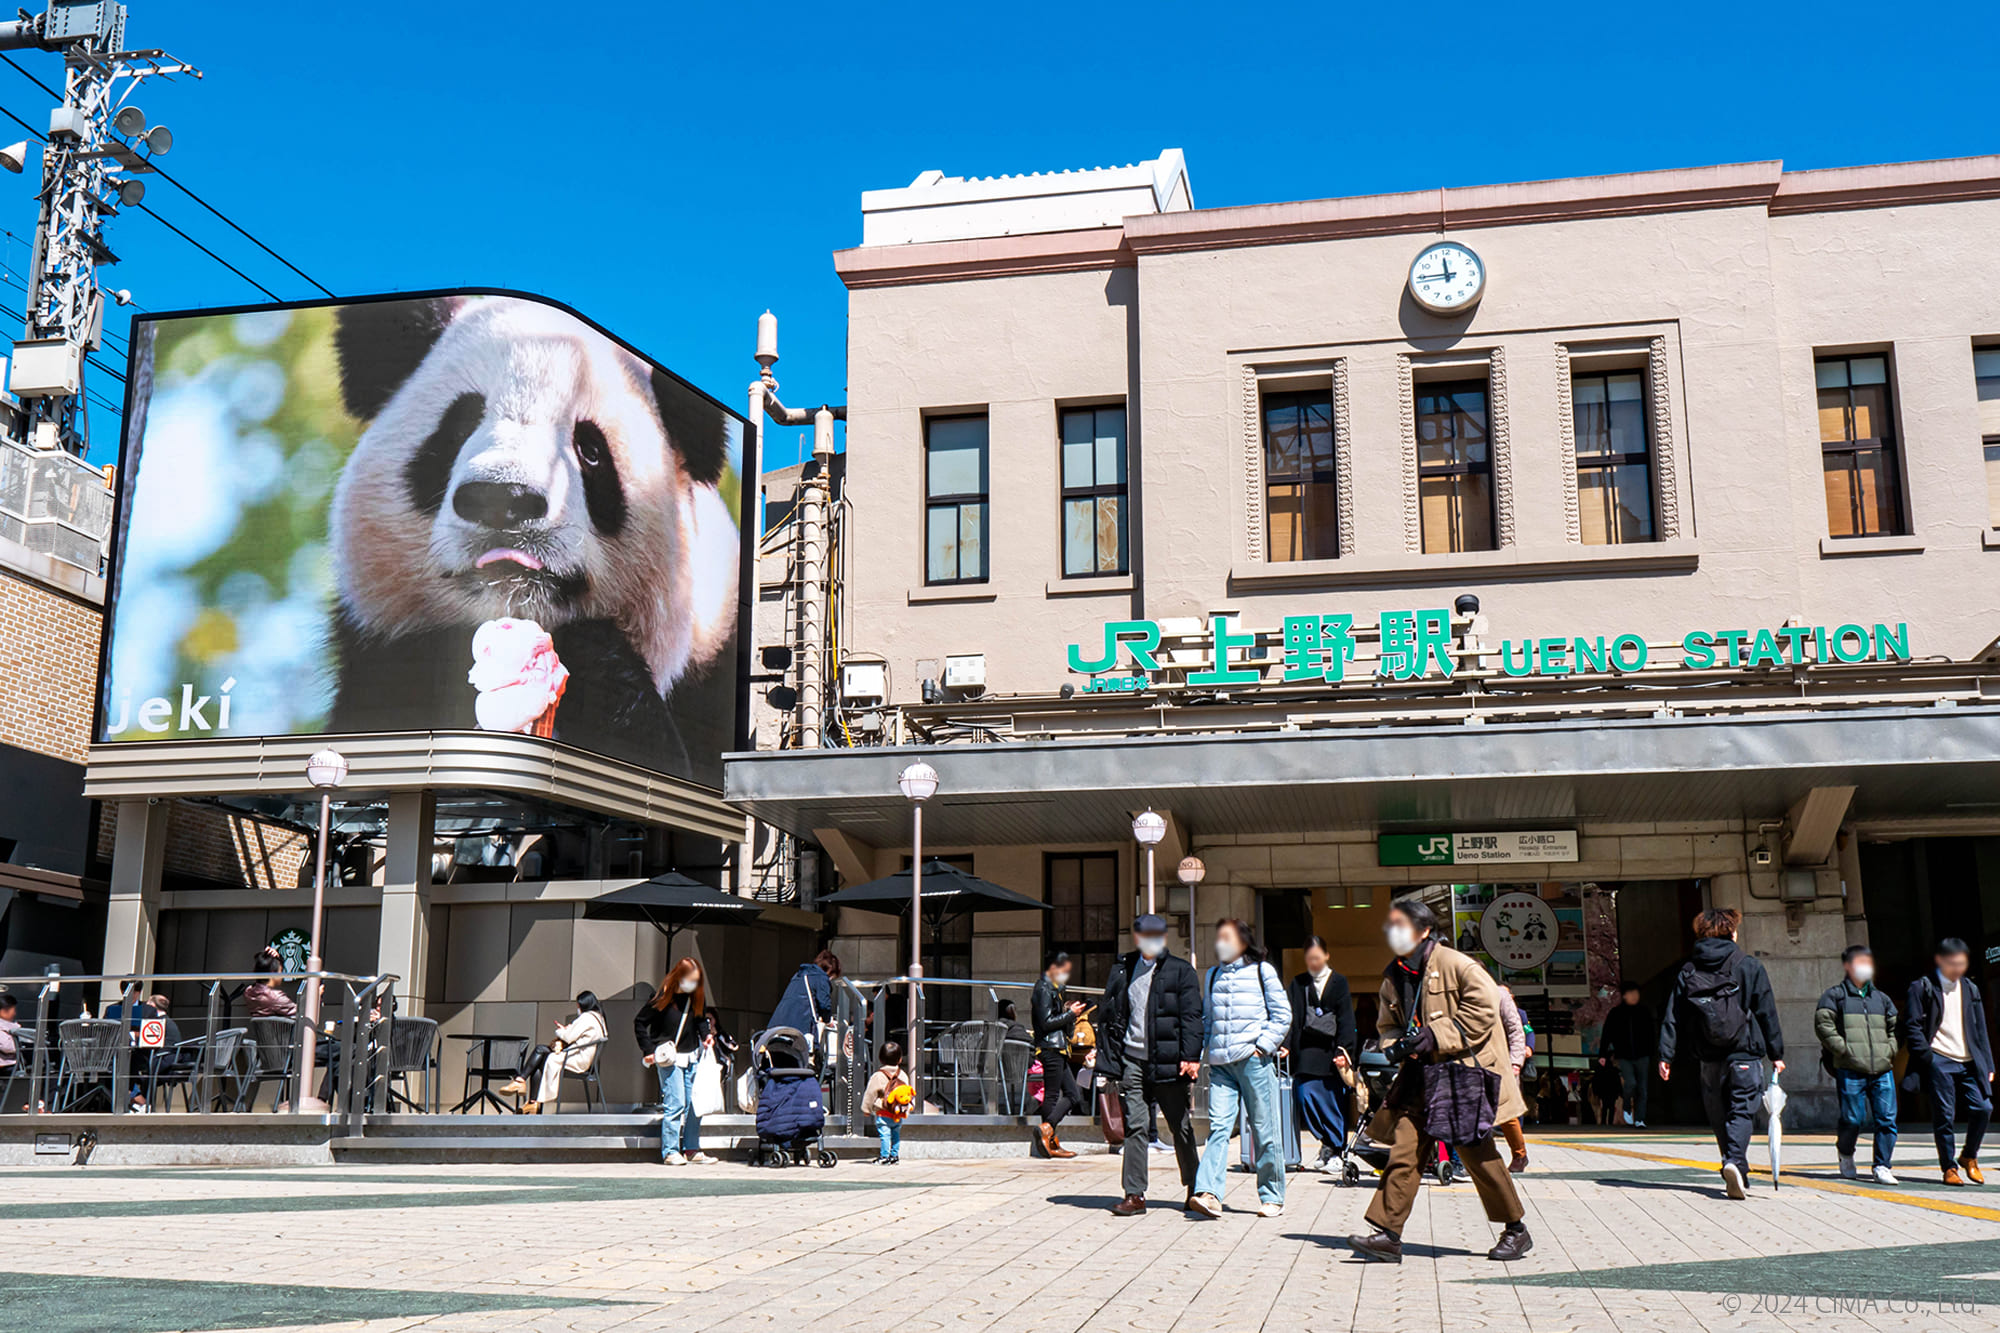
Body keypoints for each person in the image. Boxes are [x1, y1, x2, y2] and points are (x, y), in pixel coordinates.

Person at [1348, 899, 1533, 1264]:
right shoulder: (1394, 974)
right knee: (1405, 1147)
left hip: (1462, 1073)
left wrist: (1435, 1036)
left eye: (1400, 924)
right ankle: (1388, 1234)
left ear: (1424, 930)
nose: (1393, 932)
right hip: (1420, 1076)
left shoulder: (1458, 964)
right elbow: (1388, 1025)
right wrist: (1399, 1047)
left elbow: (1483, 1011)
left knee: (1476, 1153)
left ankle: (1516, 1230)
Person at [1656, 906, 1784, 1200]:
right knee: (1741, 1110)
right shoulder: (1748, 965)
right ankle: (1734, 1162)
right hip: (1744, 1053)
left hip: (1708, 1057)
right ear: (1732, 932)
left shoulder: (1689, 970)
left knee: (1719, 1114)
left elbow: (1673, 1015)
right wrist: (1777, 1053)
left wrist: (1666, 1055)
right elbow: (1767, 1012)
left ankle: (1735, 1166)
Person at [1097, 914, 1203, 1216]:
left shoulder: (1180, 971)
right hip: (1133, 1060)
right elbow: (1112, 1014)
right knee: (1136, 1127)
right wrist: (1109, 1058)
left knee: (1180, 1126)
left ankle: (1195, 1188)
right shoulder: (1123, 968)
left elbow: (1192, 1017)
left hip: (1169, 1062)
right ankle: (1135, 1195)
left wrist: (1191, 1056)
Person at [1189, 918, 1292, 1219]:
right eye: (1218, 937)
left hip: (1254, 1061)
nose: (1220, 943)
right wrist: (1198, 1056)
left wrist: (1264, 1045)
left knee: (1264, 1129)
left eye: (1227, 937)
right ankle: (1209, 1194)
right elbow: (1208, 1022)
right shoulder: (1211, 975)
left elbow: (1283, 1014)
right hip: (1221, 1066)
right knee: (1219, 1127)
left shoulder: (1263, 971)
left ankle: (1272, 1195)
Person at [1903, 937, 1994, 1186]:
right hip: (1939, 1059)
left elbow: (1980, 1029)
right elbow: (1912, 1027)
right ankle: (1949, 1167)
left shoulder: (1970, 988)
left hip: (1969, 1060)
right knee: (1944, 1115)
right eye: (1953, 963)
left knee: (1984, 1108)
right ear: (1940, 961)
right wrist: (1928, 1057)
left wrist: (1988, 1064)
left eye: (1962, 964)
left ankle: (1969, 1156)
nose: (1958, 969)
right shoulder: (1922, 987)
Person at [1815, 945, 1900, 1184]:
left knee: (1887, 1119)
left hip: (1882, 1069)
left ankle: (1882, 1165)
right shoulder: (1834, 996)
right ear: (1848, 966)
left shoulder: (1881, 998)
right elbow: (1824, 1026)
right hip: (1850, 1068)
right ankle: (1845, 1152)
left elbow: (1895, 1028)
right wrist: (1844, 1050)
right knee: (1852, 1119)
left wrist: (1890, 1050)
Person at [1282, 935, 1357, 1173]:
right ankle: (1326, 1143)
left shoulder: (1339, 982)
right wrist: (1285, 1044)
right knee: (1305, 1096)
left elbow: (1346, 1018)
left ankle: (1336, 1150)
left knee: (1333, 1101)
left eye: (1317, 957)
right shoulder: (1298, 983)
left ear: (1326, 956)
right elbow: (1290, 1017)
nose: (1313, 962)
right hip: (1305, 1050)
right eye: (1309, 958)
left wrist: (1345, 1050)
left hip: (1330, 1051)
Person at [637, 959, 719, 1166]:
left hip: (692, 1056)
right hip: (670, 1058)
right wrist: (648, 1049)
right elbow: (640, 1021)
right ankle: (670, 1150)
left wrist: (706, 1036)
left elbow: (701, 1020)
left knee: (693, 1105)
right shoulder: (663, 997)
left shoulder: (697, 998)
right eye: (689, 980)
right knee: (676, 1103)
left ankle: (691, 1148)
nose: (692, 984)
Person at [506, 991, 609, 1114]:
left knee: (540, 1053)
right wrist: (568, 1030)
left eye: (578, 1006)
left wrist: (561, 1030)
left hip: (577, 1059)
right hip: (583, 1058)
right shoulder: (599, 1018)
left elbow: (568, 1037)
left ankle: (523, 1085)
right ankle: (529, 1098)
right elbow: (578, 1035)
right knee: (540, 1054)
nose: (577, 1009)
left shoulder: (587, 1017)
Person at [1031, 951, 1087, 1159]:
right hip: (1050, 1047)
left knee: (1072, 1094)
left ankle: (1049, 1135)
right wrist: (1070, 1014)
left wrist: (1070, 1013)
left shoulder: (1055, 989)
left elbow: (1056, 1020)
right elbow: (1046, 1022)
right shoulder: (1043, 988)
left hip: (1058, 1047)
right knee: (1056, 1095)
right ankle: (1048, 1136)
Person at [1597, 982, 1655, 1127]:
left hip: (1643, 1054)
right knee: (1630, 1083)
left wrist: (1654, 1051)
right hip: (1624, 1055)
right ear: (1624, 996)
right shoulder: (1616, 1013)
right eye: (1631, 993)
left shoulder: (1644, 1012)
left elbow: (1652, 1033)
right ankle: (1627, 1107)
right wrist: (1602, 1054)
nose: (1634, 996)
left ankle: (1640, 1119)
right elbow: (1606, 1034)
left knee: (1643, 1088)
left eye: (1636, 993)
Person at [1497, 984, 1531, 1172]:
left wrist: (1516, 1062)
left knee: (1506, 1112)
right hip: (1475, 1060)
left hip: (1503, 1062)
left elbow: (1519, 1031)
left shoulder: (1500, 996)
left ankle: (1520, 1154)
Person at [861, 1039, 912, 1164]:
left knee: (885, 1136)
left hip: (883, 1112)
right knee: (896, 1135)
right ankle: (894, 1156)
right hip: (897, 1113)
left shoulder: (878, 1076)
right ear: (900, 1059)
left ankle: (884, 1156)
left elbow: (870, 1094)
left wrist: (866, 1110)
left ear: (880, 1059)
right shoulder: (903, 1075)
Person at [242, 949, 299, 1019]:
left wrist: (276, 958)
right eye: (281, 971)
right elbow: (301, 1013)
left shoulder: (248, 992)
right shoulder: (276, 997)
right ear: (272, 973)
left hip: (262, 1030)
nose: (282, 975)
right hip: (280, 1030)